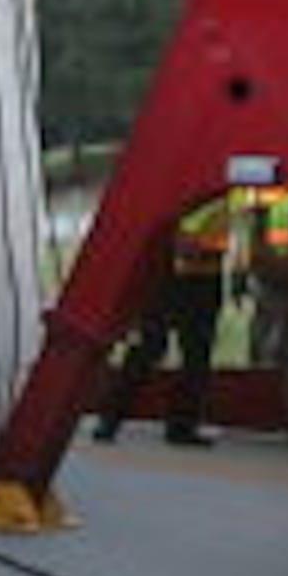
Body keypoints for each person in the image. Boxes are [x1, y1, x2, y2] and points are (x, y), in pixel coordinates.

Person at [91, 188, 232, 447]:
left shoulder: (221, 190)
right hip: (178, 272)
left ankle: (177, 426)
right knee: (154, 347)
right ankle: (112, 418)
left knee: (191, 355)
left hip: (201, 274)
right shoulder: (206, 183)